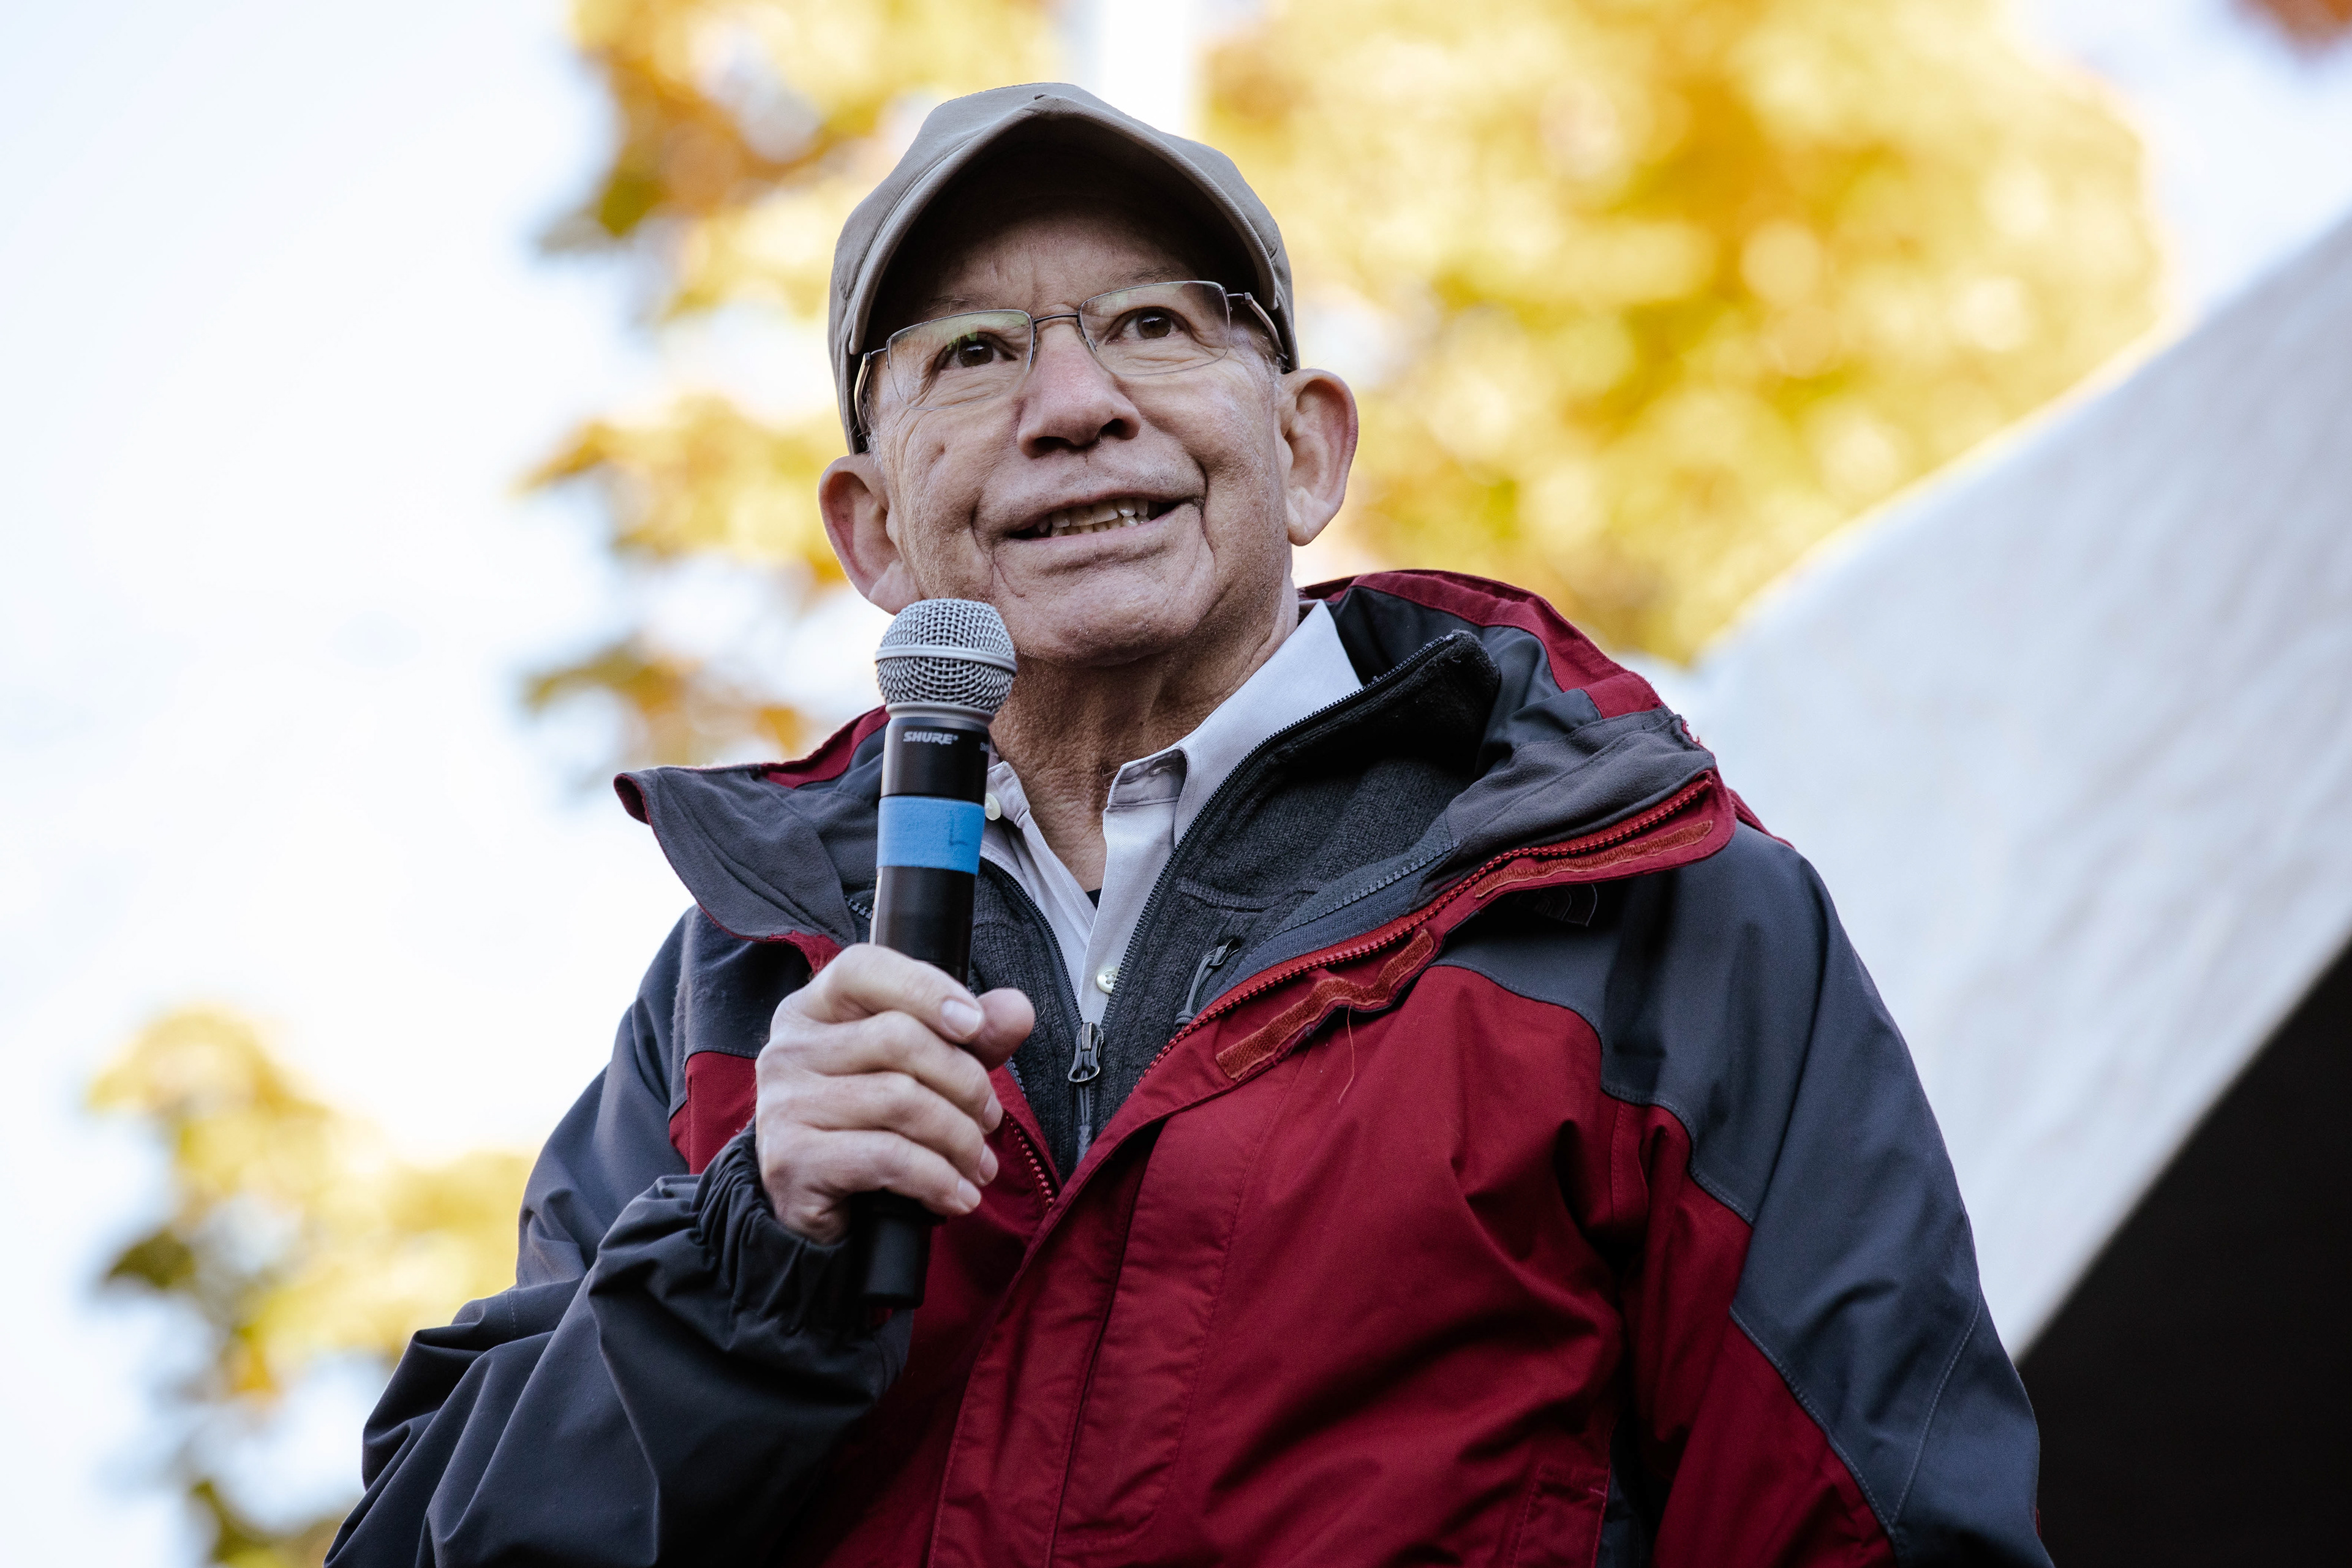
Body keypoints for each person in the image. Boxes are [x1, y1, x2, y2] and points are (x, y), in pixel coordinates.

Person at [330, 84, 2048, 1568]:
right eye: (977, 353)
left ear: (1307, 453)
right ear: (872, 535)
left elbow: (1876, 1523)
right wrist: (750, 1255)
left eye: (1157, 325)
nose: (1074, 403)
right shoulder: (735, 1002)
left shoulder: (1655, 911)